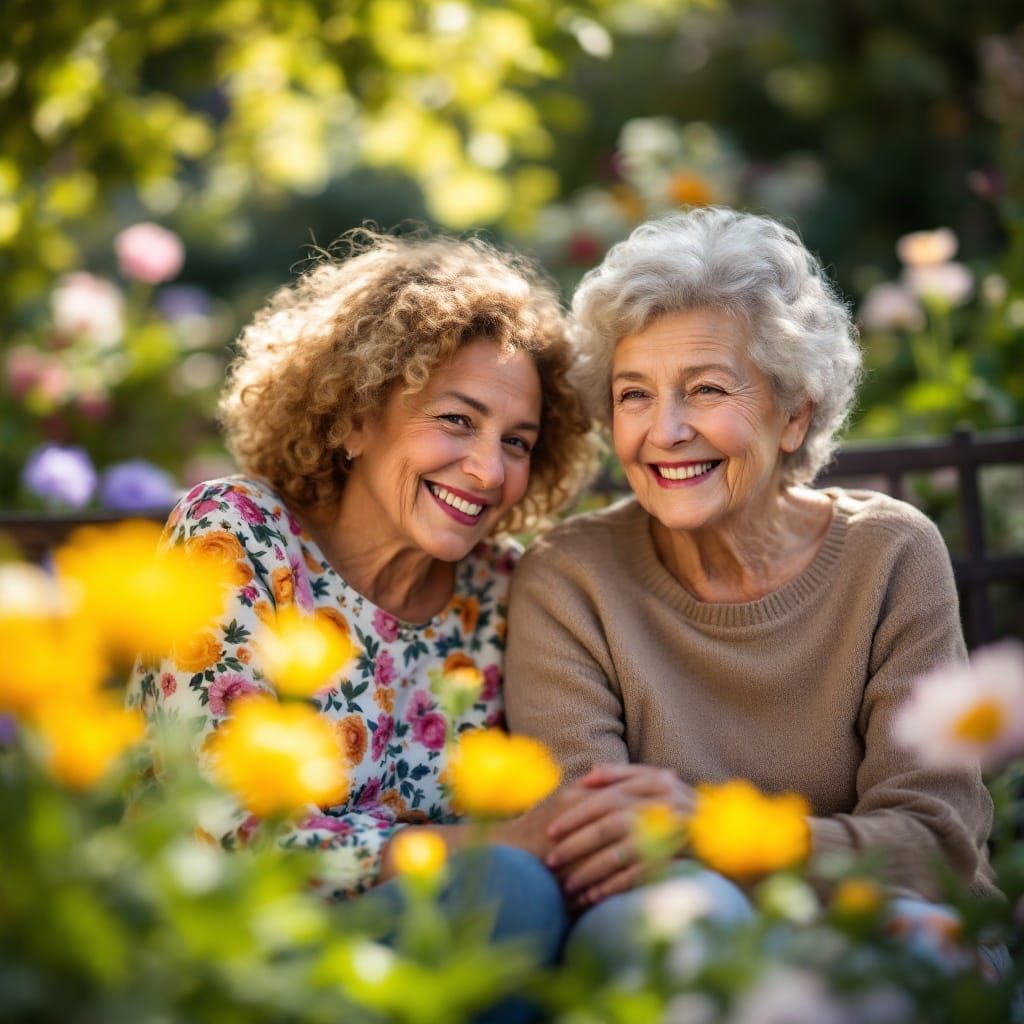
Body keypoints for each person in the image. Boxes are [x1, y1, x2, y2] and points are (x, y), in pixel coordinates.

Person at [503, 207, 998, 964]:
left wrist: (709, 833)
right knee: (662, 930)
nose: (664, 430)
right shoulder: (570, 579)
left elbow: (936, 849)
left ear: (793, 413)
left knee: (925, 948)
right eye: (634, 394)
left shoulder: (890, 553)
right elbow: (593, 848)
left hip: (876, 936)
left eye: (704, 389)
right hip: (685, 940)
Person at [126, 231, 594, 989]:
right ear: (353, 418)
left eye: (517, 441)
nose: (487, 468)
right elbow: (220, 830)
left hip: (427, 945)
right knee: (510, 891)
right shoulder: (239, 531)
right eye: (456, 420)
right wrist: (477, 851)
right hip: (228, 943)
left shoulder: (502, 591)